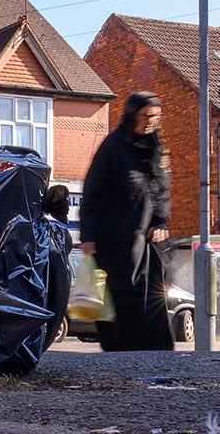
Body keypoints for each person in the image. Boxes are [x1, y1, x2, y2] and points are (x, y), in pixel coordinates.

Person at [80, 91, 174, 351]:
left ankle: (155, 355)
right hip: (114, 239)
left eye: (156, 116)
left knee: (153, 295)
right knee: (119, 295)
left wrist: (160, 222)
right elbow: (91, 192)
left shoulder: (157, 147)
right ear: (132, 115)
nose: (152, 121)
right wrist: (88, 237)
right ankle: (121, 355)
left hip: (147, 240)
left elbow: (163, 191)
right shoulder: (112, 146)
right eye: (146, 115)